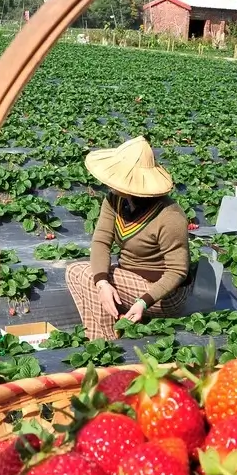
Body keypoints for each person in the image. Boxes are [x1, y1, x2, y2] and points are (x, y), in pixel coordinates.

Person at [65, 136, 191, 340]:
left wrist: (143, 302)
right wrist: (103, 284)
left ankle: (106, 344)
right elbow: (101, 241)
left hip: (163, 294)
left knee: (86, 274)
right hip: (130, 278)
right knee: (77, 273)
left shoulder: (169, 216)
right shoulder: (114, 200)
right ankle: (103, 336)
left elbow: (178, 271)